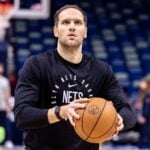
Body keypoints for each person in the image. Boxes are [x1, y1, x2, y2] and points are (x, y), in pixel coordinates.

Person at [14, 5, 136, 150]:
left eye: (78, 23)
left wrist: (117, 120)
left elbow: (128, 112)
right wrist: (61, 112)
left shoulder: (102, 71)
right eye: (65, 22)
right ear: (55, 30)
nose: (72, 27)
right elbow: (22, 116)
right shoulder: (37, 65)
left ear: (85, 32)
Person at [0, 62, 14, 148]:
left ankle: (8, 140)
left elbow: (7, 94)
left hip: (3, 107)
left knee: (6, 125)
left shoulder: (5, 81)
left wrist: (9, 106)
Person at [135, 76, 150, 149]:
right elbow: (138, 107)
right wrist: (139, 117)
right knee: (142, 135)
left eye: (143, 82)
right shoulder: (141, 94)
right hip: (143, 119)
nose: (141, 84)